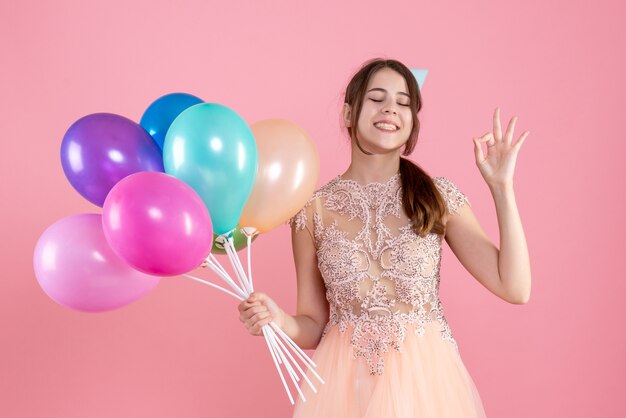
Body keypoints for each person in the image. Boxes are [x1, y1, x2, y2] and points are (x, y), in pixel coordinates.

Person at [238, 58, 531, 417]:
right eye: (377, 98)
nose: (391, 107)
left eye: (403, 102)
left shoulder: (437, 198)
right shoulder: (312, 211)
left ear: (412, 122)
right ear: (348, 113)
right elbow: (313, 326)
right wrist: (278, 320)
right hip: (345, 391)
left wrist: (502, 188)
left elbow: (515, 287)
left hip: (426, 390)